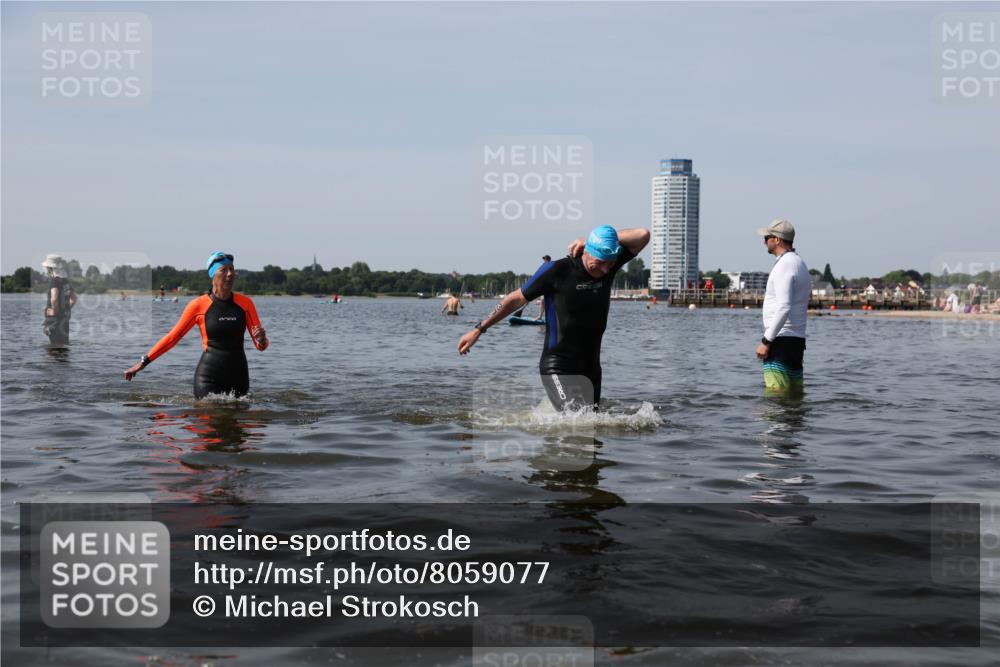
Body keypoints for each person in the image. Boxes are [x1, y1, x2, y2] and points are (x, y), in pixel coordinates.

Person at [458, 225, 650, 410]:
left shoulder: (608, 263)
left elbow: (642, 235)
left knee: (592, 426)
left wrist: (593, 239)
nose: (605, 270)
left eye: (610, 263)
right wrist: (479, 329)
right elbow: (515, 299)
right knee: (574, 419)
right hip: (558, 365)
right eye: (600, 262)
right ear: (587, 252)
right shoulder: (557, 270)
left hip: (591, 367)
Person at [124, 252, 269, 398]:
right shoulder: (198, 305)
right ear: (213, 274)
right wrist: (143, 362)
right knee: (208, 411)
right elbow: (172, 338)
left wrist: (262, 340)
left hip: (239, 378)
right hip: (209, 378)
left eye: (231, 269)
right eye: (224, 270)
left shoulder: (246, 304)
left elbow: (261, 346)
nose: (230, 274)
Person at [755, 220, 811, 395]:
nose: (764, 242)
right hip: (797, 341)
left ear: (777, 239)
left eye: (767, 237)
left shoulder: (784, 265)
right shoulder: (800, 263)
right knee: (794, 396)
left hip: (780, 340)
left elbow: (784, 306)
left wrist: (766, 341)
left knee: (776, 397)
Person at [41, 254, 77, 346]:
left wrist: (55, 311)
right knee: (64, 345)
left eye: (47, 267)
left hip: (54, 319)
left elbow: (54, 298)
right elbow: (74, 298)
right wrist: (65, 309)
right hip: (65, 317)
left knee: (54, 348)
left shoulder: (54, 281)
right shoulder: (66, 281)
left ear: (50, 268)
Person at [514, 254, 551, 320]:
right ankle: (539, 316)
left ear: (548, 260)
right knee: (539, 300)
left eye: (545, 259)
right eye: (544, 259)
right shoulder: (543, 266)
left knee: (543, 301)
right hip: (541, 286)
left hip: (548, 286)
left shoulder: (551, 266)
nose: (544, 260)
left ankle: (542, 316)